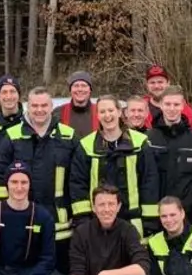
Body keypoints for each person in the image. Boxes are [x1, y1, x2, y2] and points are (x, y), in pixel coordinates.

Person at [0, 88, 76, 275]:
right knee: (25, 269)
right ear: (28, 106)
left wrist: (78, 214)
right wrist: (5, 213)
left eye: (44, 106)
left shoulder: (68, 135)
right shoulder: (12, 135)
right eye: (35, 106)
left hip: (60, 220)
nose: (39, 110)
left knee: (58, 274)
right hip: (21, 218)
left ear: (51, 107)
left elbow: (77, 180)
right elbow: (0, 177)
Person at [69, 96, 160, 237]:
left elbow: (150, 182)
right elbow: (78, 185)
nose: (107, 115)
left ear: (119, 112)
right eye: (102, 111)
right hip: (98, 223)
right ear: (97, 115)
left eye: (111, 110)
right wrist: (83, 220)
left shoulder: (139, 143)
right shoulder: (86, 146)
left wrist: (149, 222)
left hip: (133, 221)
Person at [145, 85, 192, 230]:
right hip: (157, 215)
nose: (172, 108)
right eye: (168, 104)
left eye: (176, 104)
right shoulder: (148, 139)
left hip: (188, 215)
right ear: (161, 105)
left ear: (183, 106)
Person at [143, 64, 192, 128]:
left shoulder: (184, 109)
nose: (156, 86)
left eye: (160, 82)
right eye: (152, 83)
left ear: (168, 83)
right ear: (147, 85)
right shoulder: (139, 109)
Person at [57, 71, 98, 138]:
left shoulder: (100, 112)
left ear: (90, 90)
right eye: (76, 86)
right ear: (70, 90)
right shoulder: (59, 112)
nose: (80, 89)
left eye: (84, 86)